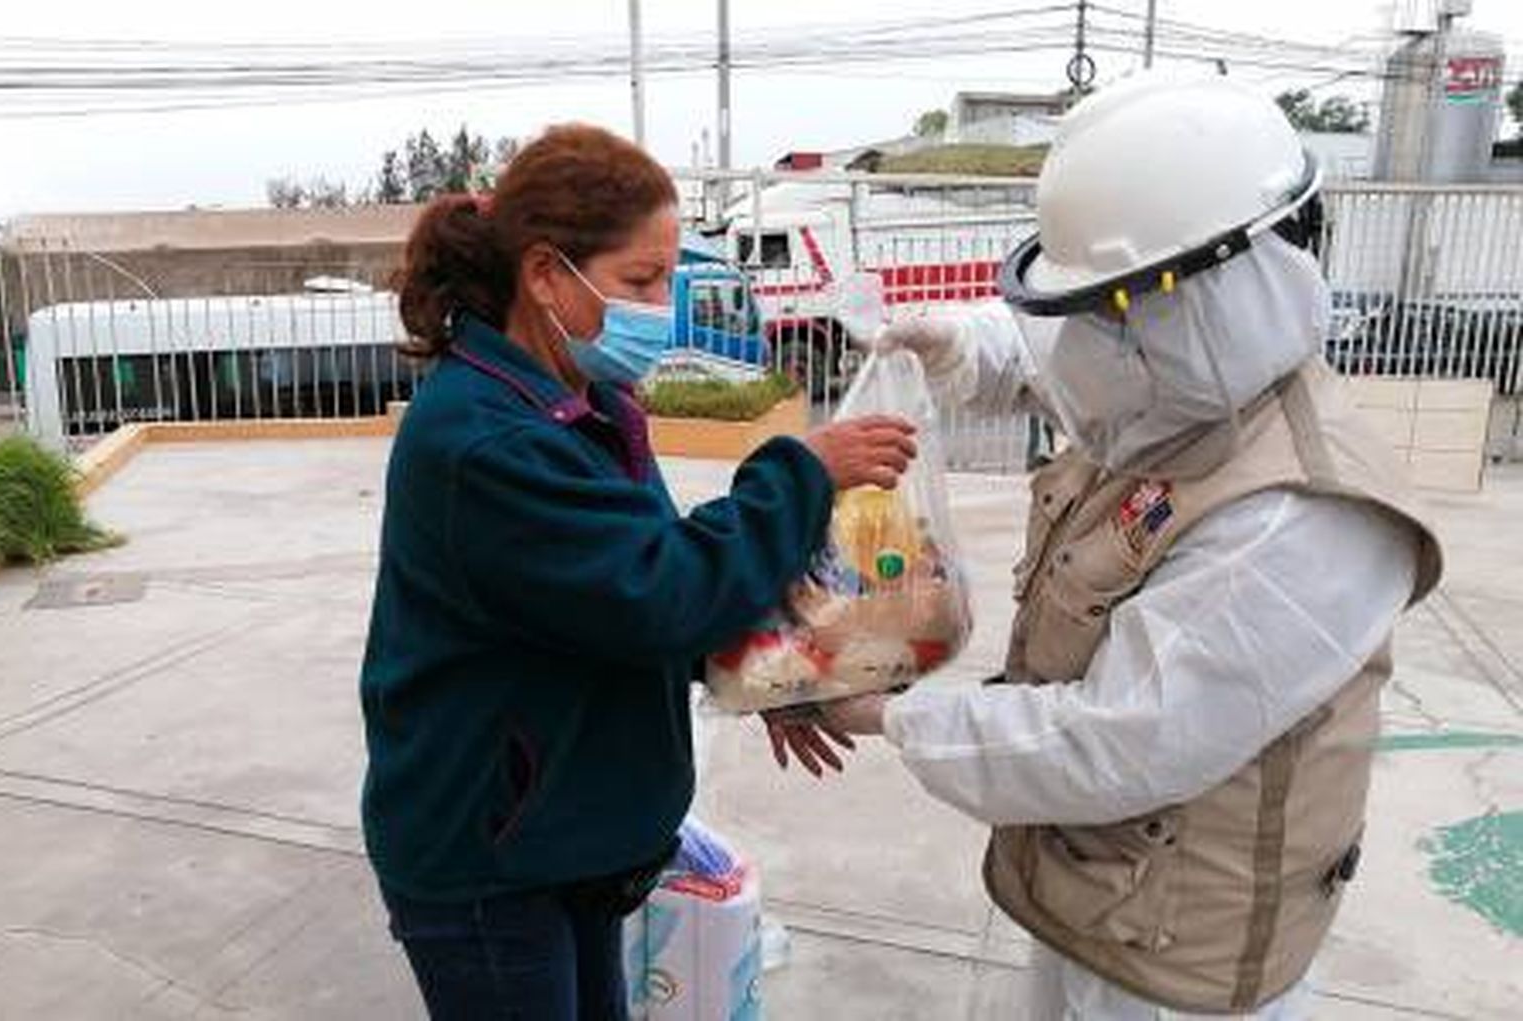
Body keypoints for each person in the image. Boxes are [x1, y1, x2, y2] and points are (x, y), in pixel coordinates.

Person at [802, 73, 1445, 1019]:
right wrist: (959, 344)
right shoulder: (1193, 388)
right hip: (1107, 899)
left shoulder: (1299, 519)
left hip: (1180, 958)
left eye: (1116, 309)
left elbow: (1120, 739)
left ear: (1217, 287)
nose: (1096, 342)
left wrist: (892, 717)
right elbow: (1067, 366)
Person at [358, 124, 912, 1020]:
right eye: (642, 281)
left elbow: (617, 588)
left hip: (566, 834)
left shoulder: (588, 403)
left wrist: (758, 670)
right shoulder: (483, 440)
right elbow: (655, 589)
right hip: (490, 863)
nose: (664, 305)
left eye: (668, 277)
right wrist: (799, 472)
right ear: (545, 275)